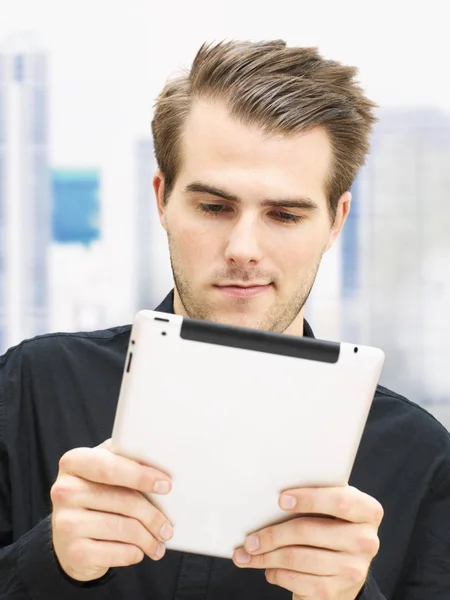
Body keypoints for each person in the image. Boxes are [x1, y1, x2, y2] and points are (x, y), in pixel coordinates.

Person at [0, 39, 449, 600]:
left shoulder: (422, 458)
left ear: (336, 222)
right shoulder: (31, 387)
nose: (243, 248)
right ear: (162, 199)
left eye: (284, 214)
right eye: (214, 207)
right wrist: (48, 559)